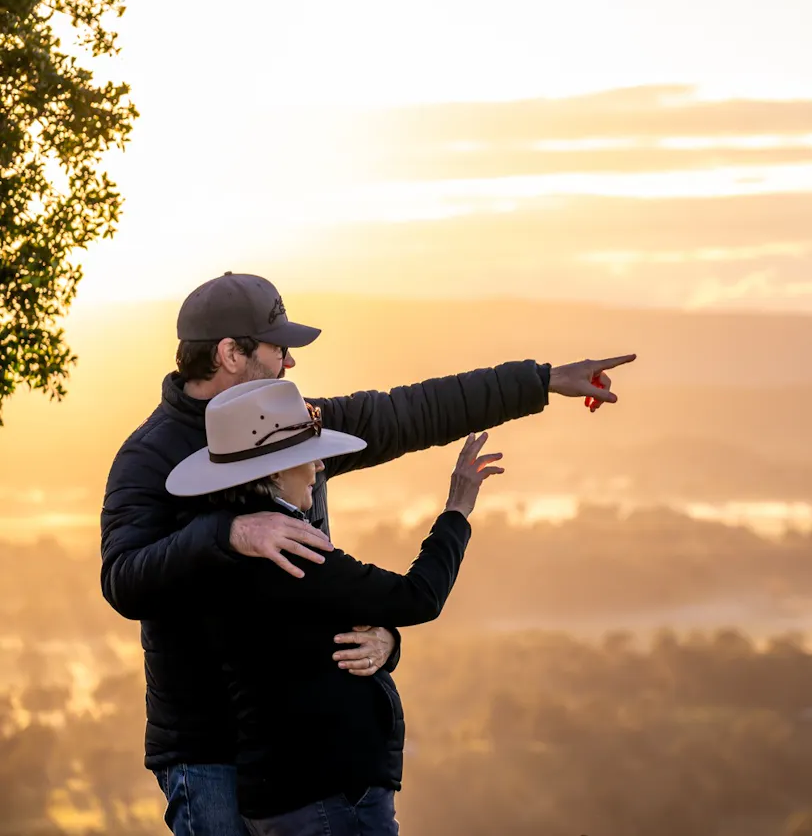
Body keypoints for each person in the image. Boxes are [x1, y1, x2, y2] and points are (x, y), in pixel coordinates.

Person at [100, 272, 634, 835]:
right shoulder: (148, 456)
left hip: (300, 752)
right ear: (231, 353)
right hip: (207, 749)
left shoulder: (289, 424)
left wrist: (541, 381)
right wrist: (229, 534)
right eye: (279, 348)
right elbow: (123, 579)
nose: (290, 363)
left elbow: (409, 412)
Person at [164, 377, 497, 834]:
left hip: (277, 795)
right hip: (327, 797)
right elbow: (418, 597)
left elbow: (312, 635)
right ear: (272, 474)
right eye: (305, 457)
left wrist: (386, 640)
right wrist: (457, 509)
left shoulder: (217, 549)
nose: (319, 466)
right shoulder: (289, 549)